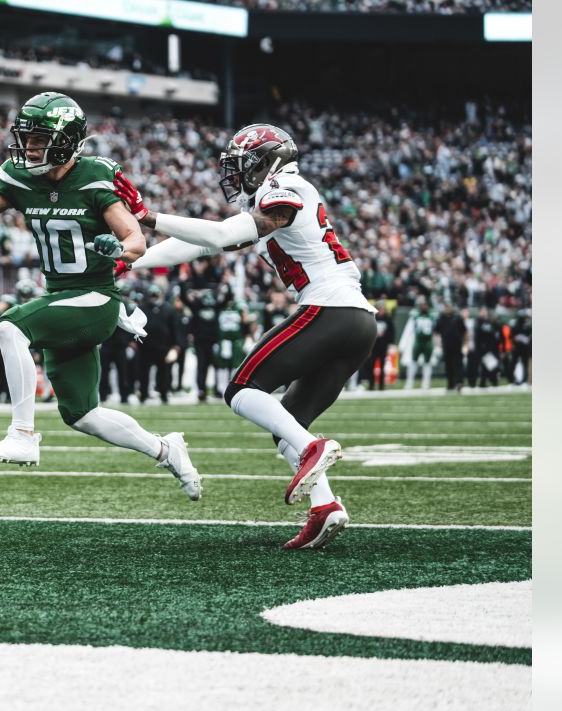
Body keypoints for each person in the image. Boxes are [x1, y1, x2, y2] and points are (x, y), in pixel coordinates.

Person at [117, 122, 377, 548]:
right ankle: (325, 506)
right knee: (287, 426)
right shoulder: (272, 203)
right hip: (356, 321)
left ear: (268, 163)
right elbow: (204, 245)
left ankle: (314, 447)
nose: (237, 177)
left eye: (243, 167)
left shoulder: (288, 186)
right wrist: (132, 261)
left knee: (240, 389)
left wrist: (148, 217)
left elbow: (218, 235)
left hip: (330, 308)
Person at [0, 91, 200, 500]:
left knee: (10, 327)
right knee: (82, 415)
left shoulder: (94, 177)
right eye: (26, 138)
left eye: (40, 139)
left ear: (67, 139)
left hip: (95, 298)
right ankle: (167, 449)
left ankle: (22, 433)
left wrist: (119, 250)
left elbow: (135, 239)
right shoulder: (21, 176)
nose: (29, 147)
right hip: (62, 298)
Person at [137, 284, 179, 405]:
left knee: (164, 372)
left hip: (163, 345)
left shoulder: (168, 309)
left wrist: (176, 344)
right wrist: (133, 341)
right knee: (144, 372)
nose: (154, 297)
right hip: (145, 346)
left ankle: (164, 394)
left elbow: (174, 328)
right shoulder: (142, 308)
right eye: (152, 295)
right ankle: (143, 394)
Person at [402, 297, 438, 390]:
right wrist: (403, 344)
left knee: (427, 363)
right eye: (421, 304)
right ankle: (409, 383)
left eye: (424, 304)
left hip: (428, 341)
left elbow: (437, 330)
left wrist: (438, 344)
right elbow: (409, 329)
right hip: (418, 341)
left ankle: (426, 383)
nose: (423, 306)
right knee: (413, 362)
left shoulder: (432, 314)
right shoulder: (415, 314)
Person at [364, 299, 395, 391]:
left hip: (383, 345)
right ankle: (371, 385)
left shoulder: (388, 319)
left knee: (382, 366)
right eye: (379, 308)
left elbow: (392, 332)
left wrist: (389, 344)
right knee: (371, 365)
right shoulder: (372, 318)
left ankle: (381, 386)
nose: (381, 310)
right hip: (373, 346)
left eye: (382, 308)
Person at [435, 303, 467, 392]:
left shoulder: (458, 318)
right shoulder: (441, 318)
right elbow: (436, 332)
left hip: (457, 345)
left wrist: (465, 344)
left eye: (449, 306)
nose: (447, 308)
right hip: (446, 345)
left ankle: (459, 382)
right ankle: (450, 383)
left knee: (458, 364)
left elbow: (464, 332)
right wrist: (437, 345)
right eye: (446, 307)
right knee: (448, 365)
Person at [511, 308, 531, 386]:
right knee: (513, 363)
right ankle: (513, 380)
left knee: (524, 364)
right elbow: (512, 336)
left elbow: (529, 336)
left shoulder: (527, 326)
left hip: (525, 348)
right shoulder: (516, 325)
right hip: (517, 347)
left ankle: (524, 380)